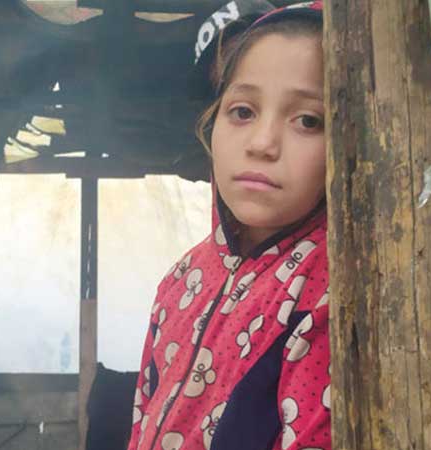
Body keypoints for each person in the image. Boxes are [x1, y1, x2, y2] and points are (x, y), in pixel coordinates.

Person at [127, 2, 330, 449]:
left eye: (308, 120)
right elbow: (142, 423)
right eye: (242, 111)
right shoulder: (181, 281)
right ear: (211, 123)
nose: (262, 143)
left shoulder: (329, 284)